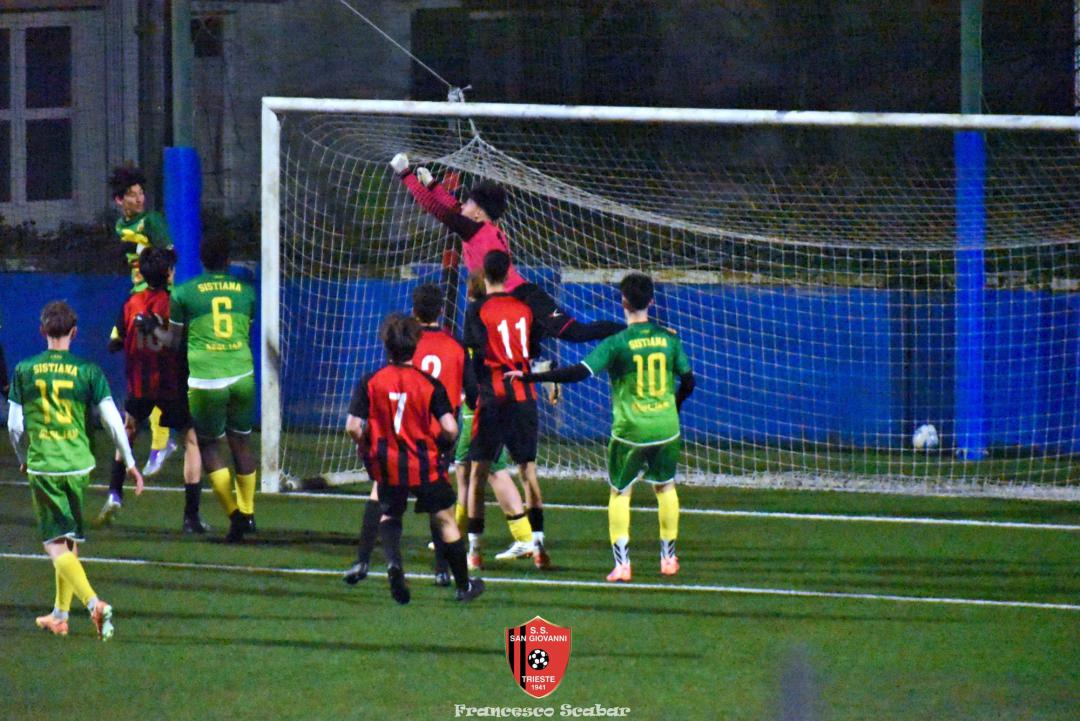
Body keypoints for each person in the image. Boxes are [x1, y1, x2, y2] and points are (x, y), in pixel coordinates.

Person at [508, 272, 695, 581]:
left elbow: (578, 373)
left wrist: (531, 377)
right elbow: (689, 381)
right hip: (666, 427)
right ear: (651, 301)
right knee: (665, 488)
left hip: (630, 431)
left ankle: (623, 566)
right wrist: (674, 406)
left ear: (623, 302)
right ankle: (668, 559)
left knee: (620, 493)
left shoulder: (617, 343)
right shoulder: (669, 338)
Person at [391, 153, 625, 359]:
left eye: (469, 202)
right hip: (509, 300)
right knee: (514, 349)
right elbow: (452, 206)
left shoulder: (474, 230)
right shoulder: (482, 228)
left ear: (479, 212)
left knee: (575, 333)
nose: (463, 205)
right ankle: (535, 361)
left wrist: (405, 174)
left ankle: (628, 333)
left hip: (523, 299)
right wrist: (432, 184)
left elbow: (438, 210)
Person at [7, 301, 144, 639]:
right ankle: (60, 614)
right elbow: (112, 421)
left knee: (54, 545)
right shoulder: (89, 371)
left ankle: (93, 603)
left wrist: (23, 455)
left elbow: (14, 426)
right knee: (68, 539)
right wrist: (129, 462)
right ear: (74, 332)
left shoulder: (24, 369)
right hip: (79, 464)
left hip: (46, 465)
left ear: (42, 331)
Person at [345, 312, 484, 604]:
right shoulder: (429, 384)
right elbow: (450, 427)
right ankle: (463, 586)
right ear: (415, 345)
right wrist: (441, 444)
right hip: (422, 463)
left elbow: (353, 426)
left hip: (388, 464)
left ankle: (394, 564)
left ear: (386, 345)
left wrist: (368, 444)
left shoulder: (371, 381)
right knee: (445, 519)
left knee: (390, 514)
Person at [95, 247, 207, 533]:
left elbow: (114, 342)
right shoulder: (175, 302)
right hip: (170, 383)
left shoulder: (131, 303)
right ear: (169, 273)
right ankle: (191, 517)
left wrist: (128, 339)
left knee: (129, 431)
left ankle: (114, 494)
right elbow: (181, 343)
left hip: (139, 383)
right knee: (191, 441)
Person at [166, 236, 258, 542]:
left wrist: (152, 329)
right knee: (241, 443)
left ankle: (234, 515)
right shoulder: (247, 292)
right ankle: (248, 512)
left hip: (206, 379)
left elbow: (173, 343)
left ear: (202, 260)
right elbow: (245, 330)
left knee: (208, 446)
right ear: (228, 260)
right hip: (241, 373)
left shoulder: (183, 293)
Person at [464, 250, 550, 570]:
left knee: (478, 474)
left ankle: (474, 552)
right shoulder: (525, 308)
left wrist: (474, 394)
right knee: (528, 473)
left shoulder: (477, 309)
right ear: (508, 273)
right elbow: (534, 348)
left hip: (493, 398)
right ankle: (539, 548)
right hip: (524, 396)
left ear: (485, 275)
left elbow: (474, 354)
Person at [109, 165, 177, 477]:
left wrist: (139, 248)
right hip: (137, 300)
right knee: (142, 367)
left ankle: (162, 443)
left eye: (141, 193)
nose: (139, 199)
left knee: (155, 371)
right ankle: (160, 440)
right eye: (132, 195)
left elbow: (169, 256)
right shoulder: (120, 225)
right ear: (118, 200)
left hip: (157, 301)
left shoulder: (152, 221)